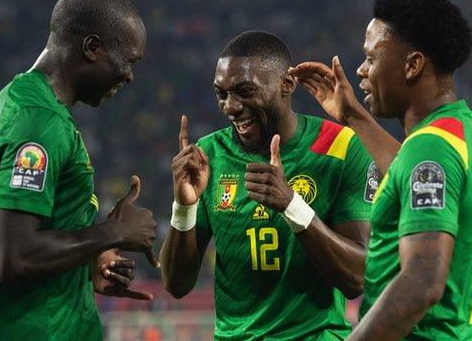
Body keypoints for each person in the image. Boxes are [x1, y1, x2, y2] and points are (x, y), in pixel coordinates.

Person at [0, 0, 159, 340]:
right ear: (92, 47)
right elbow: (11, 257)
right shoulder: (38, 123)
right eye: (128, 61)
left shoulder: (8, 106)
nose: (130, 76)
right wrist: (114, 232)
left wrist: (83, 267)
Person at [289, 0, 472, 339]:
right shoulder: (470, 131)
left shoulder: (430, 149)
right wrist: (352, 114)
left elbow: (421, 283)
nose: (361, 70)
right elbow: (408, 172)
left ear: (413, 64)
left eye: (371, 58)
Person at [161, 30, 376, 340]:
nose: (230, 106)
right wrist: (184, 207)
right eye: (221, 93)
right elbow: (176, 286)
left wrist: (293, 206)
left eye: (245, 91)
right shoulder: (208, 156)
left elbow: (357, 279)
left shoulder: (341, 148)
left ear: (287, 84)